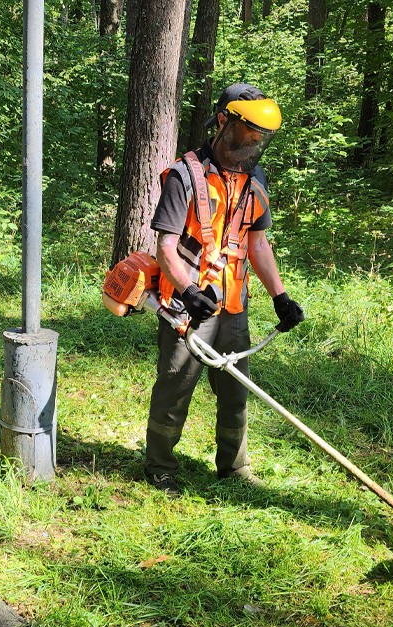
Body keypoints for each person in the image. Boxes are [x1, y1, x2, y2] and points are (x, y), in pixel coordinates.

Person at [144, 82, 304, 494]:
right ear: (222, 122)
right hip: (190, 303)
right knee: (176, 386)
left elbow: (257, 242)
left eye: (260, 138)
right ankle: (160, 465)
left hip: (234, 302)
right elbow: (164, 246)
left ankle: (233, 466)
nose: (253, 144)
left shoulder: (254, 176)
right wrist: (187, 289)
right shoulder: (185, 175)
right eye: (247, 134)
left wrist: (280, 296)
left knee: (235, 390)